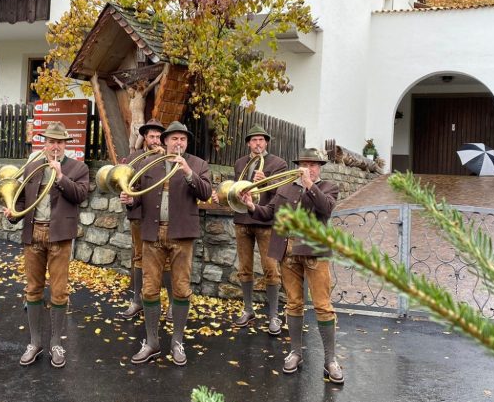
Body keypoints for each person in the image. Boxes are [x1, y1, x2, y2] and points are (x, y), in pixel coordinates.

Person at [240, 148, 343, 384]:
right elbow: (269, 214)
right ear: (298, 165)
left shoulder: (327, 187)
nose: (309, 168)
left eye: (314, 165)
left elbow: (325, 209)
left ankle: (330, 360)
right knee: (294, 303)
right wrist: (251, 206)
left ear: (320, 168)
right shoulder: (285, 188)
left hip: (315, 252)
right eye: (305, 164)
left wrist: (309, 185)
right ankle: (295, 352)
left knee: (323, 306)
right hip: (288, 253)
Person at [121, 121, 212, 366]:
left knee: (181, 289)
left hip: (181, 235)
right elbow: (137, 196)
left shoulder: (198, 165)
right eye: (174, 139)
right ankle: (151, 342)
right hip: (152, 234)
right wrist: (129, 200)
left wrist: (187, 172)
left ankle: (177, 342)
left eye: (182, 139)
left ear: (187, 142)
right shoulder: (149, 163)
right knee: (149, 289)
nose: (178, 143)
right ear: (165, 141)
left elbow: (205, 193)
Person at [3, 121, 90, 368]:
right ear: (44, 143)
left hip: (59, 236)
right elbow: (20, 200)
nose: (55, 146)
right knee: (33, 289)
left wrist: (60, 176)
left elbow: (80, 195)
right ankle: (34, 342)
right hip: (33, 234)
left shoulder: (78, 168)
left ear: (65, 144)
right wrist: (13, 213)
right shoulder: (32, 166)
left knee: (59, 291)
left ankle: (56, 343)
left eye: (60, 142)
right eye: (51, 141)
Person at [227, 124, 289, 334]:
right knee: (244, 268)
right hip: (242, 220)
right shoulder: (240, 163)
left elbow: (282, 192)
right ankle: (248, 309)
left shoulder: (278, 163)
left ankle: (273, 315)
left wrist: (265, 184)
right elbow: (236, 189)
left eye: (261, 140)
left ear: (266, 143)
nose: (258, 143)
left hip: (265, 222)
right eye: (254, 140)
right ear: (248, 143)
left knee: (271, 269)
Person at [119, 118, 172, 320]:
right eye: (152, 136)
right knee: (138, 257)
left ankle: (171, 305)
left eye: (159, 136)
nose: (156, 140)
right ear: (145, 138)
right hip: (139, 216)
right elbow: (123, 181)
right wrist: (126, 195)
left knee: (166, 261)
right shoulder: (134, 158)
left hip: (159, 217)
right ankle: (137, 301)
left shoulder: (169, 158)